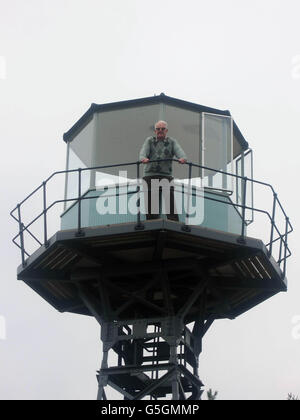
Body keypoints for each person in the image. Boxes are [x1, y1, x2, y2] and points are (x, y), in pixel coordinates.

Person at [139, 120, 187, 221]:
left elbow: (180, 151)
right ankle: (152, 222)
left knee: (169, 199)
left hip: (166, 175)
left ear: (167, 130)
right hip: (150, 175)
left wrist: (182, 158)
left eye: (162, 129)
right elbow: (143, 152)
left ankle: (173, 221)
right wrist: (143, 158)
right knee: (151, 202)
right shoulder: (149, 141)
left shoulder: (172, 142)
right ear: (155, 131)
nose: (160, 131)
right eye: (158, 129)